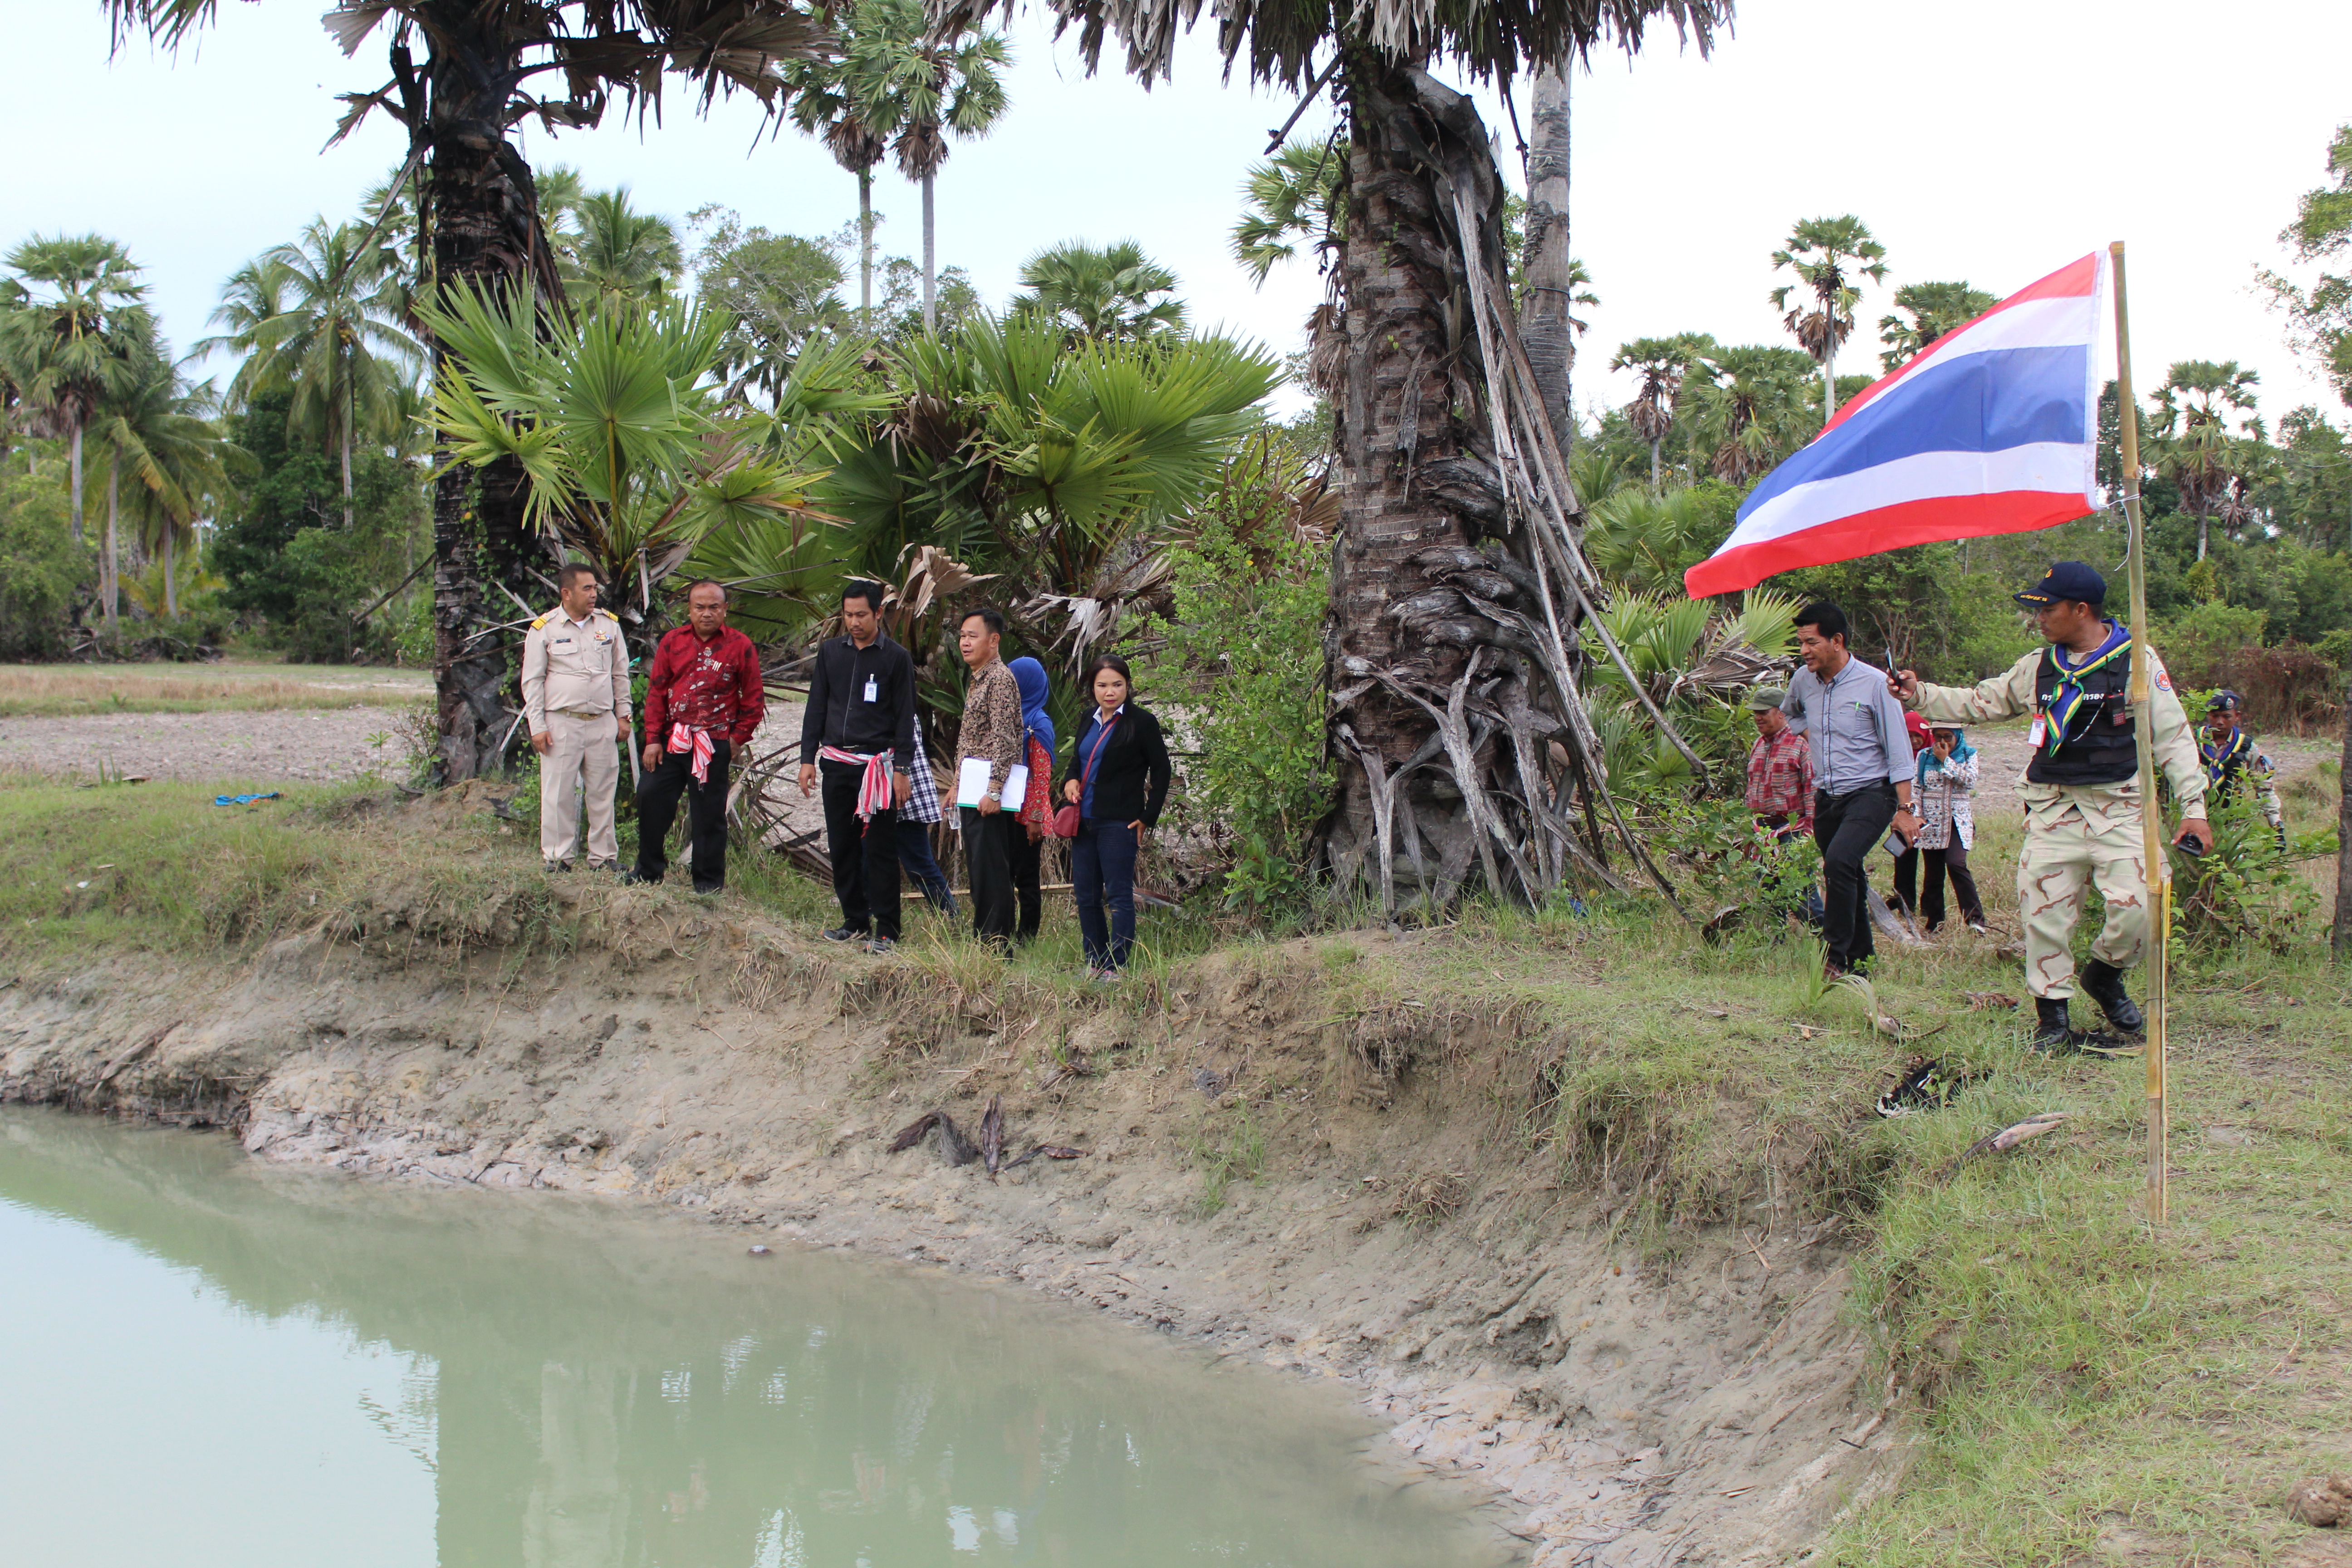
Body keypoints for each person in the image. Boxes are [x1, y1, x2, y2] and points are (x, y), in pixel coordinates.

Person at [1890, 562, 2209, 1050]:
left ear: (2081, 610)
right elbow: (1983, 702)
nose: (2038, 618)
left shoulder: (2136, 664)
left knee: (2144, 904)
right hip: (2054, 809)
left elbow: (2174, 739)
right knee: (2044, 916)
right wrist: (1920, 694)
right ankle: (2053, 1021)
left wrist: (2194, 809)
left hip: (2119, 811)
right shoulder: (2039, 666)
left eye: (2048, 608)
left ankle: (2104, 976)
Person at [1780, 601, 1920, 977]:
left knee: (1840, 862)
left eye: (1811, 642)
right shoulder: (1802, 681)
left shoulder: (1875, 684)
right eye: (1801, 642)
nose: (1804, 651)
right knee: (1851, 875)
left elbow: (1899, 751)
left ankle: (1834, 956)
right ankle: (1864, 963)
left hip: (1872, 793)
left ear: (1837, 641)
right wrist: (1811, 736)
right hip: (1828, 797)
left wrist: (1905, 810)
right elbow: (1791, 712)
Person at [797, 580, 916, 954]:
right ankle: (854, 920)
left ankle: (888, 929)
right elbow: (816, 706)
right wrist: (806, 759)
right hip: (836, 762)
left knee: (880, 848)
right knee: (842, 844)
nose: (854, 622)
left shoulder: (895, 657)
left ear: (879, 613)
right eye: (848, 615)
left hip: (877, 767)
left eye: (862, 614)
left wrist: (902, 768)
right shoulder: (831, 653)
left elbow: (904, 717)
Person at [627, 580, 764, 895]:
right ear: (689, 610)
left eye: (714, 607)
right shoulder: (672, 642)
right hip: (672, 739)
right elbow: (658, 691)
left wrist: (736, 740)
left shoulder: (740, 645)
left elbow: (754, 698)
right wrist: (652, 739)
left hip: (714, 742)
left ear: (725, 609)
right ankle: (648, 871)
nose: (706, 614)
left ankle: (707, 883)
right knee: (650, 796)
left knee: (709, 813)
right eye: (699, 607)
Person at [1058, 655, 1172, 982]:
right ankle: (1094, 961)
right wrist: (1070, 780)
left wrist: (1148, 816)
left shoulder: (1141, 722)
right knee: (1087, 896)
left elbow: (1162, 770)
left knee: (1119, 896)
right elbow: (1077, 760)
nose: (1110, 692)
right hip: (1085, 819)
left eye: (1117, 685)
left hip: (1119, 822)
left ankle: (1117, 966)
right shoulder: (1087, 718)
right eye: (1103, 685)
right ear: (1093, 687)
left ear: (1128, 685)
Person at [520, 564, 631, 873]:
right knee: (558, 793)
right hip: (562, 723)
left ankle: (604, 857)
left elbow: (621, 673)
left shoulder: (609, 626)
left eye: (595, 588)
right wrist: (538, 727)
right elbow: (532, 681)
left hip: (601, 721)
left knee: (602, 792)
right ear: (566, 593)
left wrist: (624, 716)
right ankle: (558, 858)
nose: (594, 594)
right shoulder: (546, 629)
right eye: (587, 589)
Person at [954, 608, 1025, 951]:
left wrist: (994, 790)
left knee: (992, 870)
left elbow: (1004, 740)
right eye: (963, 635)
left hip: (987, 794)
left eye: (973, 636)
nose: (965, 643)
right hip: (972, 789)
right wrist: (956, 784)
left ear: (994, 641)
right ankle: (987, 938)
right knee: (980, 869)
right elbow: (971, 739)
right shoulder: (980, 678)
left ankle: (996, 944)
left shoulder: (998, 679)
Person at [1894, 724, 1987, 935]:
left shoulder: (1968, 755)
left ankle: (1976, 919)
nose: (1943, 742)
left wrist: (1946, 761)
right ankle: (1935, 921)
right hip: (1931, 820)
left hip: (1957, 820)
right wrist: (1916, 814)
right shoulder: (1925, 756)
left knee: (1956, 863)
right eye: (1938, 737)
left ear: (1958, 737)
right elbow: (1916, 787)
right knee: (1933, 873)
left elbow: (1969, 781)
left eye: (1948, 737)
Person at [1007, 656, 1057, 945]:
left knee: (1026, 878)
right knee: (1007, 874)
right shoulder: (1010, 717)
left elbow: (1041, 777)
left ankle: (1026, 938)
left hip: (1028, 814)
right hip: (1006, 809)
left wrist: (1035, 817)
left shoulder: (1039, 722)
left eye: (1015, 681)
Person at [2200, 689, 2286, 851]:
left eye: (2226, 717)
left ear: (2237, 716)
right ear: (2207, 715)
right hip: (2196, 817)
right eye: (2215, 716)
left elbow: (2264, 786)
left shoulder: (2246, 747)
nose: (2220, 722)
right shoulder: (2193, 741)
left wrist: (2276, 827)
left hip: (2233, 821)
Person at [894, 725, 957, 916]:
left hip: (909, 794)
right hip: (879, 794)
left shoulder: (900, 706)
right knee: (867, 861)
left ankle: (951, 918)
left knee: (919, 867)